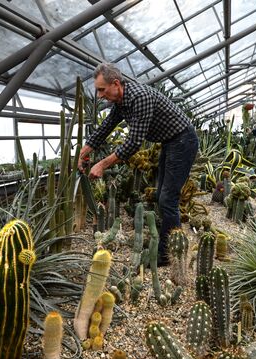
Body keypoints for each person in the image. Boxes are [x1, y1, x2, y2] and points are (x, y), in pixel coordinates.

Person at [77, 63, 198, 266]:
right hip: (171, 142)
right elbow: (106, 126)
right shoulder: (121, 101)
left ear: (116, 84)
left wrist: (102, 165)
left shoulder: (139, 97)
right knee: (162, 196)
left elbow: (133, 143)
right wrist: (84, 150)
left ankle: (170, 255)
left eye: (101, 90)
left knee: (168, 199)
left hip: (183, 141)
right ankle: (168, 244)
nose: (99, 95)